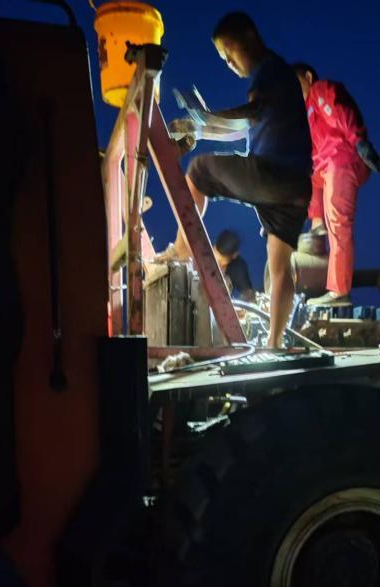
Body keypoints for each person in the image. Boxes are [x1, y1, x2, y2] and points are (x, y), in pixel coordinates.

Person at [156, 12, 312, 347]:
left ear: (250, 38)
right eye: (223, 58)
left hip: (272, 173)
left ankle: (181, 252)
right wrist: (200, 128)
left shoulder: (270, 71)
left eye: (229, 52)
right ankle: (275, 343)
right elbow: (241, 127)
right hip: (297, 187)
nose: (228, 62)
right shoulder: (280, 80)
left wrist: (202, 121)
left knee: (198, 171)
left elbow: (250, 115)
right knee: (280, 266)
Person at [293, 63, 380, 307]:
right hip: (324, 167)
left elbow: (340, 111)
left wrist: (359, 142)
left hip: (342, 159)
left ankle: (339, 291)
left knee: (339, 224)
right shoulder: (305, 113)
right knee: (306, 175)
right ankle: (317, 226)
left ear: (308, 77)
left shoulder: (320, 90)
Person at [213, 229, 256, 302]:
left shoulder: (238, 267)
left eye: (221, 260)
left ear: (235, 255)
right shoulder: (202, 252)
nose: (218, 262)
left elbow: (248, 294)